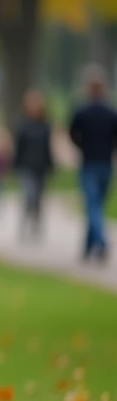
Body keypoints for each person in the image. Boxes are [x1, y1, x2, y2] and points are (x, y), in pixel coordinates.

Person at [68, 65, 117, 263]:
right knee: (96, 205)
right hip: (105, 162)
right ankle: (90, 246)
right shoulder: (111, 112)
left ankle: (99, 243)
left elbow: (72, 133)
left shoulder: (82, 111)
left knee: (93, 205)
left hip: (89, 162)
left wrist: (82, 147)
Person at [11, 89, 54, 239]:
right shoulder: (22, 124)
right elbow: (18, 147)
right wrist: (14, 165)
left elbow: (48, 148)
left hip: (41, 166)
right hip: (26, 165)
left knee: (38, 198)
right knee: (29, 194)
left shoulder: (45, 125)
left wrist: (51, 165)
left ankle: (36, 224)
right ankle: (24, 224)